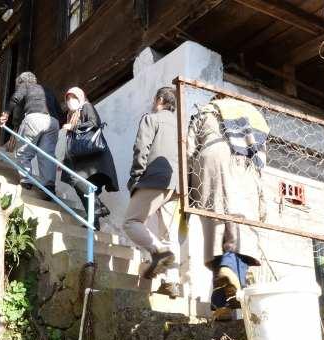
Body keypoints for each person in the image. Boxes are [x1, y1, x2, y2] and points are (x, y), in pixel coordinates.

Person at [185, 98, 269, 311]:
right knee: (242, 230)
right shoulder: (252, 115)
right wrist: (262, 204)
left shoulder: (206, 110)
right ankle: (229, 280)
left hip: (210, 158)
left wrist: (187, 187)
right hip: (245, 165)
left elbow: (188, 150)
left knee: (215, 228)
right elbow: (261, 159)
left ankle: (220, 303)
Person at [123, 87, 181, 298]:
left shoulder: (151, 119)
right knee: (169, 233)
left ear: (159, 100)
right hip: (177, 185)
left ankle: (159, 252)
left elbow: (141, 149)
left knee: (131, 222)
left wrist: (136, 178)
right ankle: (172, 282)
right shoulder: (181, 126)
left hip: (154, 179)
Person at [60, 87, 119, 230]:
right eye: (68, 99)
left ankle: (97, 208)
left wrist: (73, 127)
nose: (70, 101)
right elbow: (71, 143)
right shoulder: (72, 115)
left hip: (94, 157)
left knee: (77, 181)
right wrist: (64, 159)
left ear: (80, 97)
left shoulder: (86, 107)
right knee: (81, 186)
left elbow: (94, 122)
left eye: (73, 98)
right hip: (82, 158)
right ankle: (94, 221)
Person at [0, 71, 63, 197]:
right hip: (53, 122)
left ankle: (26, 180)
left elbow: (16, 98)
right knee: (47, 155)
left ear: (21, 82)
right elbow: (60, 112)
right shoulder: (47, 90)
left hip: (34, 118)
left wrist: (6, 113)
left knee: (23, 151)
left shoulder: (25, 85)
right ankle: (49, 186)